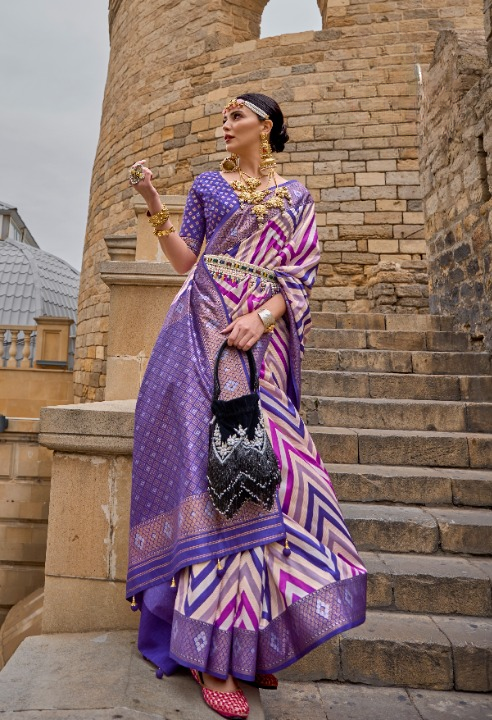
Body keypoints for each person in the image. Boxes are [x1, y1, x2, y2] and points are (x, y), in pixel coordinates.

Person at [127, 93, 367, 720]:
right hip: (202, 327)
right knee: (221, 478)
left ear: (266, 126)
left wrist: (260, 319)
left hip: (260, 337)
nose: (224, 126)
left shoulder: (296, 197)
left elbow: (301, 275)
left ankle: (254, 638)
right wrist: (158, 209)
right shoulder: (209, 184)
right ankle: (212, 654)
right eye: (223, 118)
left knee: (279, 477)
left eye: (236, 117)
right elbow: (190, 261)